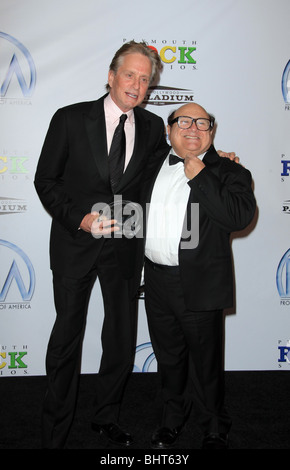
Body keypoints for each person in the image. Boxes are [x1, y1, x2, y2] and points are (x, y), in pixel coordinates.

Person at [34, 40, 169, 449]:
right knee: (66, 338)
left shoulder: (150, 126)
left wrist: (214, 161)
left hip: (124, 248)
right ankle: (55, 429)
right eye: (130, 75)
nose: (137, 85)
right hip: (76, 243)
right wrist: (80, 218)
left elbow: (172, 169)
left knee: (121, 339)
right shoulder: (70, 119)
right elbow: (46, 181)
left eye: (145, 80)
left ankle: (105, 417)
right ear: (111, 76)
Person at [143, 103, 256, 449]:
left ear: (212, 131)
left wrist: (201, 172)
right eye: (185, 121)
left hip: (200, 281)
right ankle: (172, 418)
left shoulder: (231, 172)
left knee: (206, 361)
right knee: (169, 358)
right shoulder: (148, 166)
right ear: (169, 128)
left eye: (203, 123)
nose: (194, 128)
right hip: (156, 280)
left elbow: (238, 217)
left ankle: (213, 424)